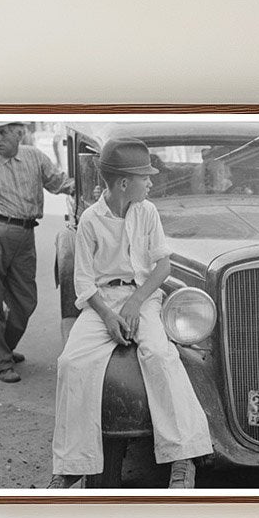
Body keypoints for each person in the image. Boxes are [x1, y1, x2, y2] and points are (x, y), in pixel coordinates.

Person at [50, 138, 213, 490]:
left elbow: (162, 265)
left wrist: (136, 302)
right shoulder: (90, 221)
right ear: (125, 183)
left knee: (159, 354)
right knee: (72, 363)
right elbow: (83, 283)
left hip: (143, 297)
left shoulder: (147, 211)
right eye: (146, 177)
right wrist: (110, 318)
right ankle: (70, 465)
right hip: (102, 304)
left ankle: (183, 458)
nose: (151, 183)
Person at [0, 121, 73, 383]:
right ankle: (1, 361)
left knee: (25, 299)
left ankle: (1, 346)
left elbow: (59, 183)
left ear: (19, 133)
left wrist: (92, 185)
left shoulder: (35, 157)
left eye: (3, 132)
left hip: (25, 234)